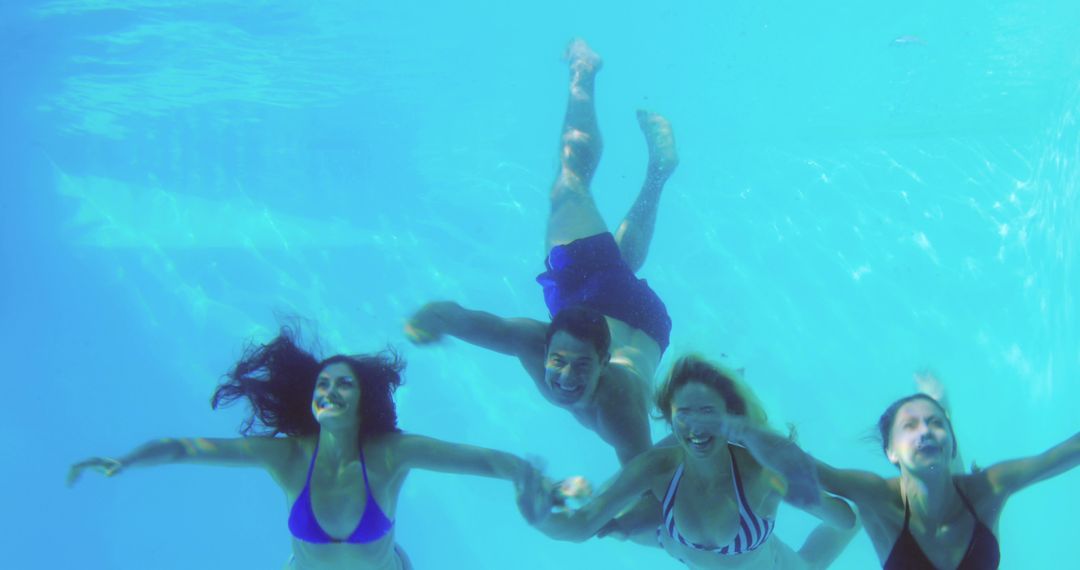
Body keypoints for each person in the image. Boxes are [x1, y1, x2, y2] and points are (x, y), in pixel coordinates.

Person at [405, 38, 678, 465]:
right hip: (626, 315)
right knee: (570, 186)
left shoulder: (615, 404)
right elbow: (470, 322)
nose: (566, 378)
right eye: (562, 362)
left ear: (602, 363)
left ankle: (598, 92)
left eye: (579, 366)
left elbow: (642, 489)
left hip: (650, 323)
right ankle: (586, 75)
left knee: (574, 189)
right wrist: (434, 318)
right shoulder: (557, 356)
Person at [68, 327, 545, 570]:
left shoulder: (390, 454)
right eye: (322, 384)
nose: (329, 392)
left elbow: (479, 458)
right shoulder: (289, 457)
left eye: (343, 385)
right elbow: (183, 449)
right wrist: (125, 459)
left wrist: (526, 476)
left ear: (364, 400)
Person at [520, 354, 859, 569]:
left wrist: (807, 493)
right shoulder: (655, 468)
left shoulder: (760, 471)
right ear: (669, 416)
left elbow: (840, 520)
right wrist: (539, 519)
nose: (696, 426)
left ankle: (888, 501)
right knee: (628, 523)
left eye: (707, 412)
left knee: (815, 561)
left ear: (729, 416)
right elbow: (579, 527)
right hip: (686, 553)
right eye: (684, 413)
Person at [816, 392, 1080, 568]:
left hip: (959, 493)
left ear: (952, 444)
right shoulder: (878, 497)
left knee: (953, 485)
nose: (926, 430)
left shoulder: (989, 488)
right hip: (915, 500)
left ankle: (941, 409)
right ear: (890, 451)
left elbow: (1059, 457)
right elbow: (809, 470)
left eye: (936, 423)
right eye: (910, 425)